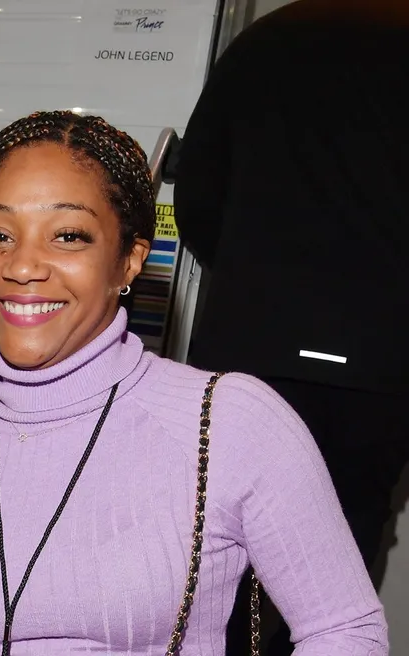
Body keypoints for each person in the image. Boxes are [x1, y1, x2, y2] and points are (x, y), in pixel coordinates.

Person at [0, 110, 388, 655]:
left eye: (68, 236)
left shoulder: (230, 424)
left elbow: (344, 632)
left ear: (129, 261)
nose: (22, 266)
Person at [172, 0, 408, 652]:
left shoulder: (264, 41)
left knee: (216, 547)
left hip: (253, 347)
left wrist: (253, 284)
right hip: (377, 365)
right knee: (343, 555)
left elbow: (196, 196)